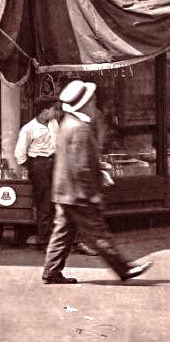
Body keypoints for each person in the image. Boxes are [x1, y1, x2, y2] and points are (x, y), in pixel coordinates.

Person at [42, 80, 153, 284]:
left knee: (63, 232)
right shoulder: (80, 129)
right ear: (84, 103)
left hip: (64, 190)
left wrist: (98, 167)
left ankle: (51, 272)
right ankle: (124, 270)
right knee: (98, 233)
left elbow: (74, 160)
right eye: (91, 99)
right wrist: (93, 195)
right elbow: (81, 166)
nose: (94, 102)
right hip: (79, 193)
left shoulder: (67, 124)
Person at [15, 94, 60, 247]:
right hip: (39, 164)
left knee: (57, 199)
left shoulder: (54, 123)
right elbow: (19, 153)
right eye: (54, 109)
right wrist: (33, 167)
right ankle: (45, 239)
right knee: (45, 202)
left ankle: (56, 238)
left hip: (54, 162)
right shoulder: (28, 129)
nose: (56, 112)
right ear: (44, 111)